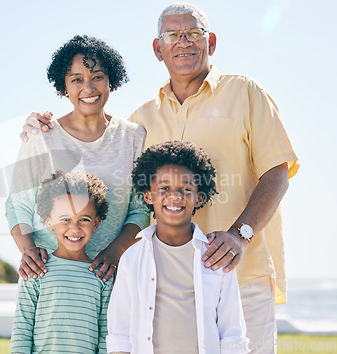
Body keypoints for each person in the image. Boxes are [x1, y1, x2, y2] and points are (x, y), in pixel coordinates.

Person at [20, 4, 298, 352]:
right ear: (157, 49)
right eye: (172, 35)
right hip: (167, 281)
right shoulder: (140, 123)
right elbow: (100, 174)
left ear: (210, 42)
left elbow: (277, 173)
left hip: (242, 269)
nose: (183, 42)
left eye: (193, 33)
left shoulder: (245, 93)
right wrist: (42, 127)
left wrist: (239, 236)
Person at [6, 35, 149, 284]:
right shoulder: (42, 134)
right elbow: (18, 205)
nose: (88, 88)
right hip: (50, 274)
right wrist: (28, 251)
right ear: (64, 87)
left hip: (112, 276)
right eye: (76, 80)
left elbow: (140, 210)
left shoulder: (133, 137)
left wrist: (116, 252)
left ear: (111, 80)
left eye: (97, 77)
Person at [106, 141, 249, 354]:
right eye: (164, 188)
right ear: (148, 196)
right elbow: (119, 331)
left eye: (185, 189)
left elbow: (232, 332)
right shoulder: (132, 258)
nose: (174, 196)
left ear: (199, 198)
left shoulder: (216, 256)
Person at [11, 170, 112, 353]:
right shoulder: (36, 270)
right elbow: (22, 330)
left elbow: (106, 334)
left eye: (84, 219)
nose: (74, 228)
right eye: (65, 219)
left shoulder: (103, 276)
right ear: (49, 223)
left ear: (96, 223)